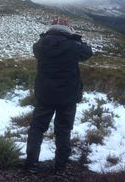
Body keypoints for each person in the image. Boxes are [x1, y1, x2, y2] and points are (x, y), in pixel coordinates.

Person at [25, 17, 93, 175]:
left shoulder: (40, 45)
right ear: (68, 29)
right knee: (63, 131)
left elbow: (39, 44)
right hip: (68, 97)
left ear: (51, 28)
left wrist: (47, 35)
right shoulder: (74, 46)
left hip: (45, 95)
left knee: (37, 128)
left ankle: (31, 164)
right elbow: (88, 52)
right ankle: (60, 167)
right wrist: (75, 36)